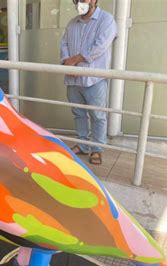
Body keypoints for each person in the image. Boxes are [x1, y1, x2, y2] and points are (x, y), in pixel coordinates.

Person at [61, 0, 117, 165]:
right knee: (78, 113)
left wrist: (74, 60)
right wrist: (66, 62)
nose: (80, 2)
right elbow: (64, 44)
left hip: (94, 79)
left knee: (97, 115)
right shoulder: (72, 23)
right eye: (77, 0)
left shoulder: (106, 20)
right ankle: (83, 144)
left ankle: (97, 149)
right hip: (73, 78)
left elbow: (100, 47)